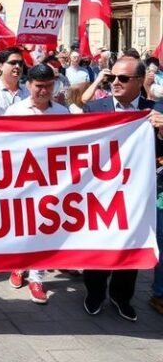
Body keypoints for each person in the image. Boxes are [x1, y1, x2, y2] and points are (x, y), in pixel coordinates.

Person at [82, 57, 163, 322]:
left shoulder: (154, 111)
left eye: (123, 79)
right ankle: (94, 293)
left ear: (140, 82)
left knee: (130, 247)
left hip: (137, 196)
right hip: (100, 193)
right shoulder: (95, 109)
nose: (115, 82)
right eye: (112, 77)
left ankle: (121, 297)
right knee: (98, 245)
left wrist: (162, 131)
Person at [4, 64, 69, 305]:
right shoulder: (15, 111)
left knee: (45, 228)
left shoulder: (62, 112)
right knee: (23, 226)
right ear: (28, 85)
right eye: (39, 86)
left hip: (53, 182)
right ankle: (19, 264)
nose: (44, 91)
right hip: (22, 180)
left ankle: (37, 277)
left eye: (49, 86)